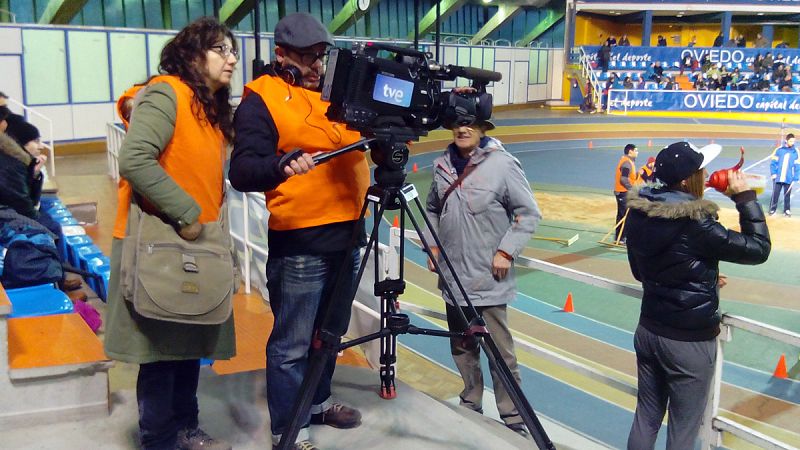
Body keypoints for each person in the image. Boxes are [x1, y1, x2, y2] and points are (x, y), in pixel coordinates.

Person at [228, 13, 368, 450]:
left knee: (329, 334)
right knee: (290, 345)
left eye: (321, 57)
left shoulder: (337, 95)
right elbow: (243, 171)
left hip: (349, 234)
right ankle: (288, 430)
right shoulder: (261, 100)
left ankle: (318, 403)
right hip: (301, 243)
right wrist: (282, 164)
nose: (316, 67)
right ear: (281, 56)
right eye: (307, 58)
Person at [103, 17, 238, 450]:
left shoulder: (210, 110)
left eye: (232, 50)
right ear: (192, 55)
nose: (231, 57)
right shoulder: (168, 93)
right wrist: (188, 213)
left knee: (187, 346)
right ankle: (160, 438)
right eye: (220, 49)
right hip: (161, 241)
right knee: (161, 353)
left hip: (194, 242)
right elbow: (136, 160)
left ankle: (185, 427)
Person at [625, 141, 770, 449]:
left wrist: (701, 274)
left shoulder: (638, 212)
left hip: (649, 329)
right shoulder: (696, 222)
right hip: (688, 341)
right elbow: (758, 249)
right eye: (702, 171)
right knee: (684, 427)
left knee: (647, 415)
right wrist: (744, 198)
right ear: (689, 179)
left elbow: (643, 271)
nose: (706, 176)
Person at [425, 117, 540, 439]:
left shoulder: (503, 165)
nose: (462, 129)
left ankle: (513, 415)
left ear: (483, 128)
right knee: (462, 347)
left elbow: (528, 213)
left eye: (470, 123)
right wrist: (431, 242)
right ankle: (471, 400)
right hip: (452, 277)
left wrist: (506, 252)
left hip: (488, 279)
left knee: (500, 354)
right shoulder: (442, 165)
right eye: (457, 123)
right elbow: (432, 207)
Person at [613, 144, 638, 243]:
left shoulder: (629, 162)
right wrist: (632, 189)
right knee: (623, 215)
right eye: (635, 150)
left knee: (625, 215)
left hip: (624, 192)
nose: (637, 152)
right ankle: (620, 238)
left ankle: (621, 237)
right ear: (630, 151)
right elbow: (623, 179)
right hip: (623, 192)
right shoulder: (626, 163)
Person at [769, 133, 798, 216]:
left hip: (789, 178)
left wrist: (795, 177)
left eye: (793, 141)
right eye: (791, 141)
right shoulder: (779, 150)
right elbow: (773, 163)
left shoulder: (795, 152)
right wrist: (773, 174)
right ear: (786, 140)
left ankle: (787, 210)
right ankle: (772, 209)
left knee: (787, 195)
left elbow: (797, 165)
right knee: (775, 194)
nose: (792, 142)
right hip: (778, 177)